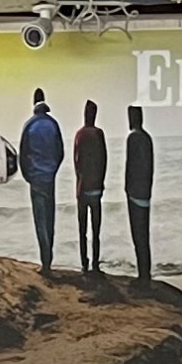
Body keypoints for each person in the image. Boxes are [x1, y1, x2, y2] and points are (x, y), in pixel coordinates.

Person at [19, 90, 65, 272]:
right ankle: (49, 259)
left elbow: (23, 154)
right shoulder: (53, 124)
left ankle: (45, 262)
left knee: (40, 221)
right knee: (50, 218)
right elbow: (60, 152)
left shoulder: (29, 125)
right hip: (49, 177)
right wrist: (53, 169)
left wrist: (27, 175)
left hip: (36, 177)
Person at [75, 101, 109, 276]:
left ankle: (85, 263)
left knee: (83, 229)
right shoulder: (98, 134)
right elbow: (104, 160)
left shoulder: (80, 135)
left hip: (83, 188)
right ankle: (94, 263)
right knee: (95, 230)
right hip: (95, 188)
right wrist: (101, 182)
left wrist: (79, 182)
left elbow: (77, 162)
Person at [124, 109, 156, 280]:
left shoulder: (133, 137)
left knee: (138, 236)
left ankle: (143, 274)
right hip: (145, 192)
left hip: (135, 193)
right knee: (144, 235)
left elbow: (130, 166)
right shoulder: (147, 138)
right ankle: (145, 272)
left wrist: (127, 188)